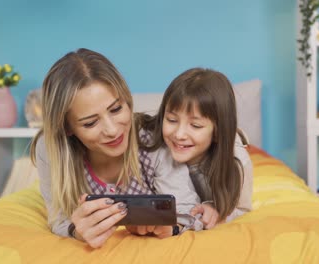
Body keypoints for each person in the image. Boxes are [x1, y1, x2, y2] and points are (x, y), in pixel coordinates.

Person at [29, 48, 201, 249]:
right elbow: (59, 219)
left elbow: (190, 212)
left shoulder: (154, 140)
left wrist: (170, 228)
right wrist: (77, 231)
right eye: (90, 123)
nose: (112, 131)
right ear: (67, 127)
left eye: (116, 109)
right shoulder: (50, 149)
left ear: (127, 100)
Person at [137, 68, 253, 229]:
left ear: (217, 132)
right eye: (171, 120)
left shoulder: (237, 162)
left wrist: (217, 210)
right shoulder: (158, 149)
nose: (179, 134)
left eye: (195, 125)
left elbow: (243, 208)